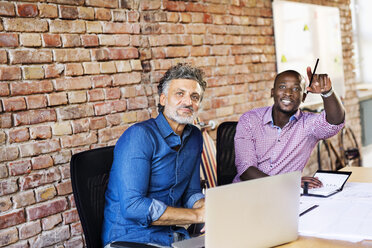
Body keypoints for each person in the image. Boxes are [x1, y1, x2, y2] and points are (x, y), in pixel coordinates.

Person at [102, 63, 207, 247]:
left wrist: (207, 209)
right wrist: (197, 215)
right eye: (180, 94)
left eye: (194, 96)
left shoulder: (195, 137)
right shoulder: (139, 136)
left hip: (171, 237)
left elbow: (191, 192)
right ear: (163, 99)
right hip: (130, 239)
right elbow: (133, 207)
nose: (188, 102)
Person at [233, 67, 345, 188]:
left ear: (303, 97)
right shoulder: (250, 119)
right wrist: (289, 184)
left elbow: (335, 122)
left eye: (296, 89)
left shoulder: (308, 125)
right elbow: (245, 170)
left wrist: (327, 92)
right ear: (272, 92)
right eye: (282, 87)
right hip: (247, 192)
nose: (288, 93)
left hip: (286, 196)